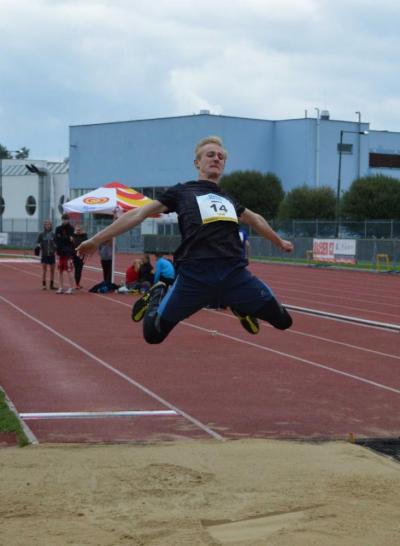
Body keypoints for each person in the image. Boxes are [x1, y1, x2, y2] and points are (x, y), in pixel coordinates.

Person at [77, 136, 294, 344]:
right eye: (210, 154)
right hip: (194, 277)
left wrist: (279, 242)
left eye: (221, 156)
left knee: (284, 321)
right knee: (153, 335)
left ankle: (239, 305)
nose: (216, 158)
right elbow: (137, 214)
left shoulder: (228, 199)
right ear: (197, 162)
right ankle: (158, 293)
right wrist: (97, 239)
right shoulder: (181, 192)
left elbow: (255, 219)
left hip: (234, 275)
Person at [55, 213, 75, 294]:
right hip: (60, 252)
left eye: (66, 219)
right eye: (63, 219)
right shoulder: (58, 228)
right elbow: (56, 239)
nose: (64, 221)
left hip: (69, 252)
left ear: (68, 220)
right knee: (60, 271)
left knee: (69, 270)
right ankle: (60, 287)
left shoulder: (71, 228)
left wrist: (63, 238)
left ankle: (71, 287)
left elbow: (71, 240)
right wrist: (65, 239)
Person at [35, 219, 57, 290]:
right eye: (46, 224)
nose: (48, 225)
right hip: (44, 254)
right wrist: (39, 246)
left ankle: (51, 284)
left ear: (51, 225)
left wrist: (55, 247)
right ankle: (44, 284)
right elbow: (38, 242)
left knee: (52, 270)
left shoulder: (53, 234)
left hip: (52, 254)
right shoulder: (41, 234)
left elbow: (57, 243)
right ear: (44, 226)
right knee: (44, 270)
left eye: (49, 224)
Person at [72, 224, 88, 289]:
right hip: (74, 255)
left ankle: (77, 283)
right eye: (77, 230)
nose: (78, 231)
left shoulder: (84, 236)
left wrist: (86, 256)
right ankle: (77, 283)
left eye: (79, 230)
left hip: (82, 255)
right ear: (75, 230)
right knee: (76, 269)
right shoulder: (73, 236)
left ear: (81, 230)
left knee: (80, 270)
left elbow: (87, 246)